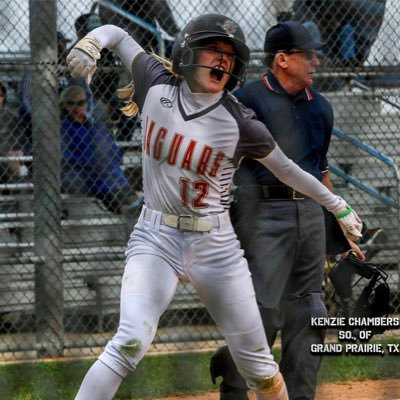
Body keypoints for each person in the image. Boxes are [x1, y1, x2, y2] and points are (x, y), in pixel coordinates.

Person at [66, 14, 362, 400]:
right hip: (156, 237)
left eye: (230, 55)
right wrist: (91, 42)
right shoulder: (156, 84)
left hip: (216, 246)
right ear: (188, 52)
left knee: (259, 369)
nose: (222, 60)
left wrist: (337, 205)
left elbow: (288, 171)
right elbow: (118, 35)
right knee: (129, 341)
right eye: (213, 50)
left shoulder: (241, 121)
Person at [208, 21, 364, 400]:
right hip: (260, 211)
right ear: (282, 59)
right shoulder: (245, 101)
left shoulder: (321, 108)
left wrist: (341, 228)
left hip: (309, 215)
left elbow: (319, 172)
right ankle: (234, 381)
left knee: (311, 313)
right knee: (262, 310)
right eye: (307, 54)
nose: (316, 61)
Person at [59, 85, 136, 214]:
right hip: (81, 173)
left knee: (115, 174)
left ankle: (134, 205)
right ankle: (126, 210)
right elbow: (67, 157)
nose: (76, 108)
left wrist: (110, 161)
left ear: (86, 104)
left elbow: (113, 149)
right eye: (71, 104)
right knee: (105, 179)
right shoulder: (63, 127)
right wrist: (95, 164)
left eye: (80, 103)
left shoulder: (93, 125)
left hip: (106, 170)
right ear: (64, 106)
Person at [0, 82, 28, 183]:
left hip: (12, 161)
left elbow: (21, 142)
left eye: (1, 95)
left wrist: (17, 153)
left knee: (22, 172)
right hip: (4, 159)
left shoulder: (11, 119)